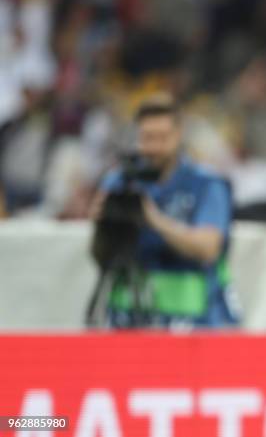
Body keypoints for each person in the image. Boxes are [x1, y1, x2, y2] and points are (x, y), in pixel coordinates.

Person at [91, 95, 235, 328]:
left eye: (162, 138)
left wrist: (153, 219)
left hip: (194, 323)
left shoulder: (207, 184)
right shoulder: (120, 181)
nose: (154, 147)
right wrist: (102, 224)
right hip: (128, 321)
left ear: (179, 136)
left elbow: (208, 248)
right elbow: (100, 257)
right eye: (147, 138)